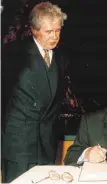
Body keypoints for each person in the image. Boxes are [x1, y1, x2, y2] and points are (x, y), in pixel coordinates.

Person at [2, 2, 68, 182]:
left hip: (47, 144)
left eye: (58, 31)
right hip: (19, 146)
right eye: (49, 32)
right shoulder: (13, 54)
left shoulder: (61, 58)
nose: (54, 37)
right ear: (34, 30)